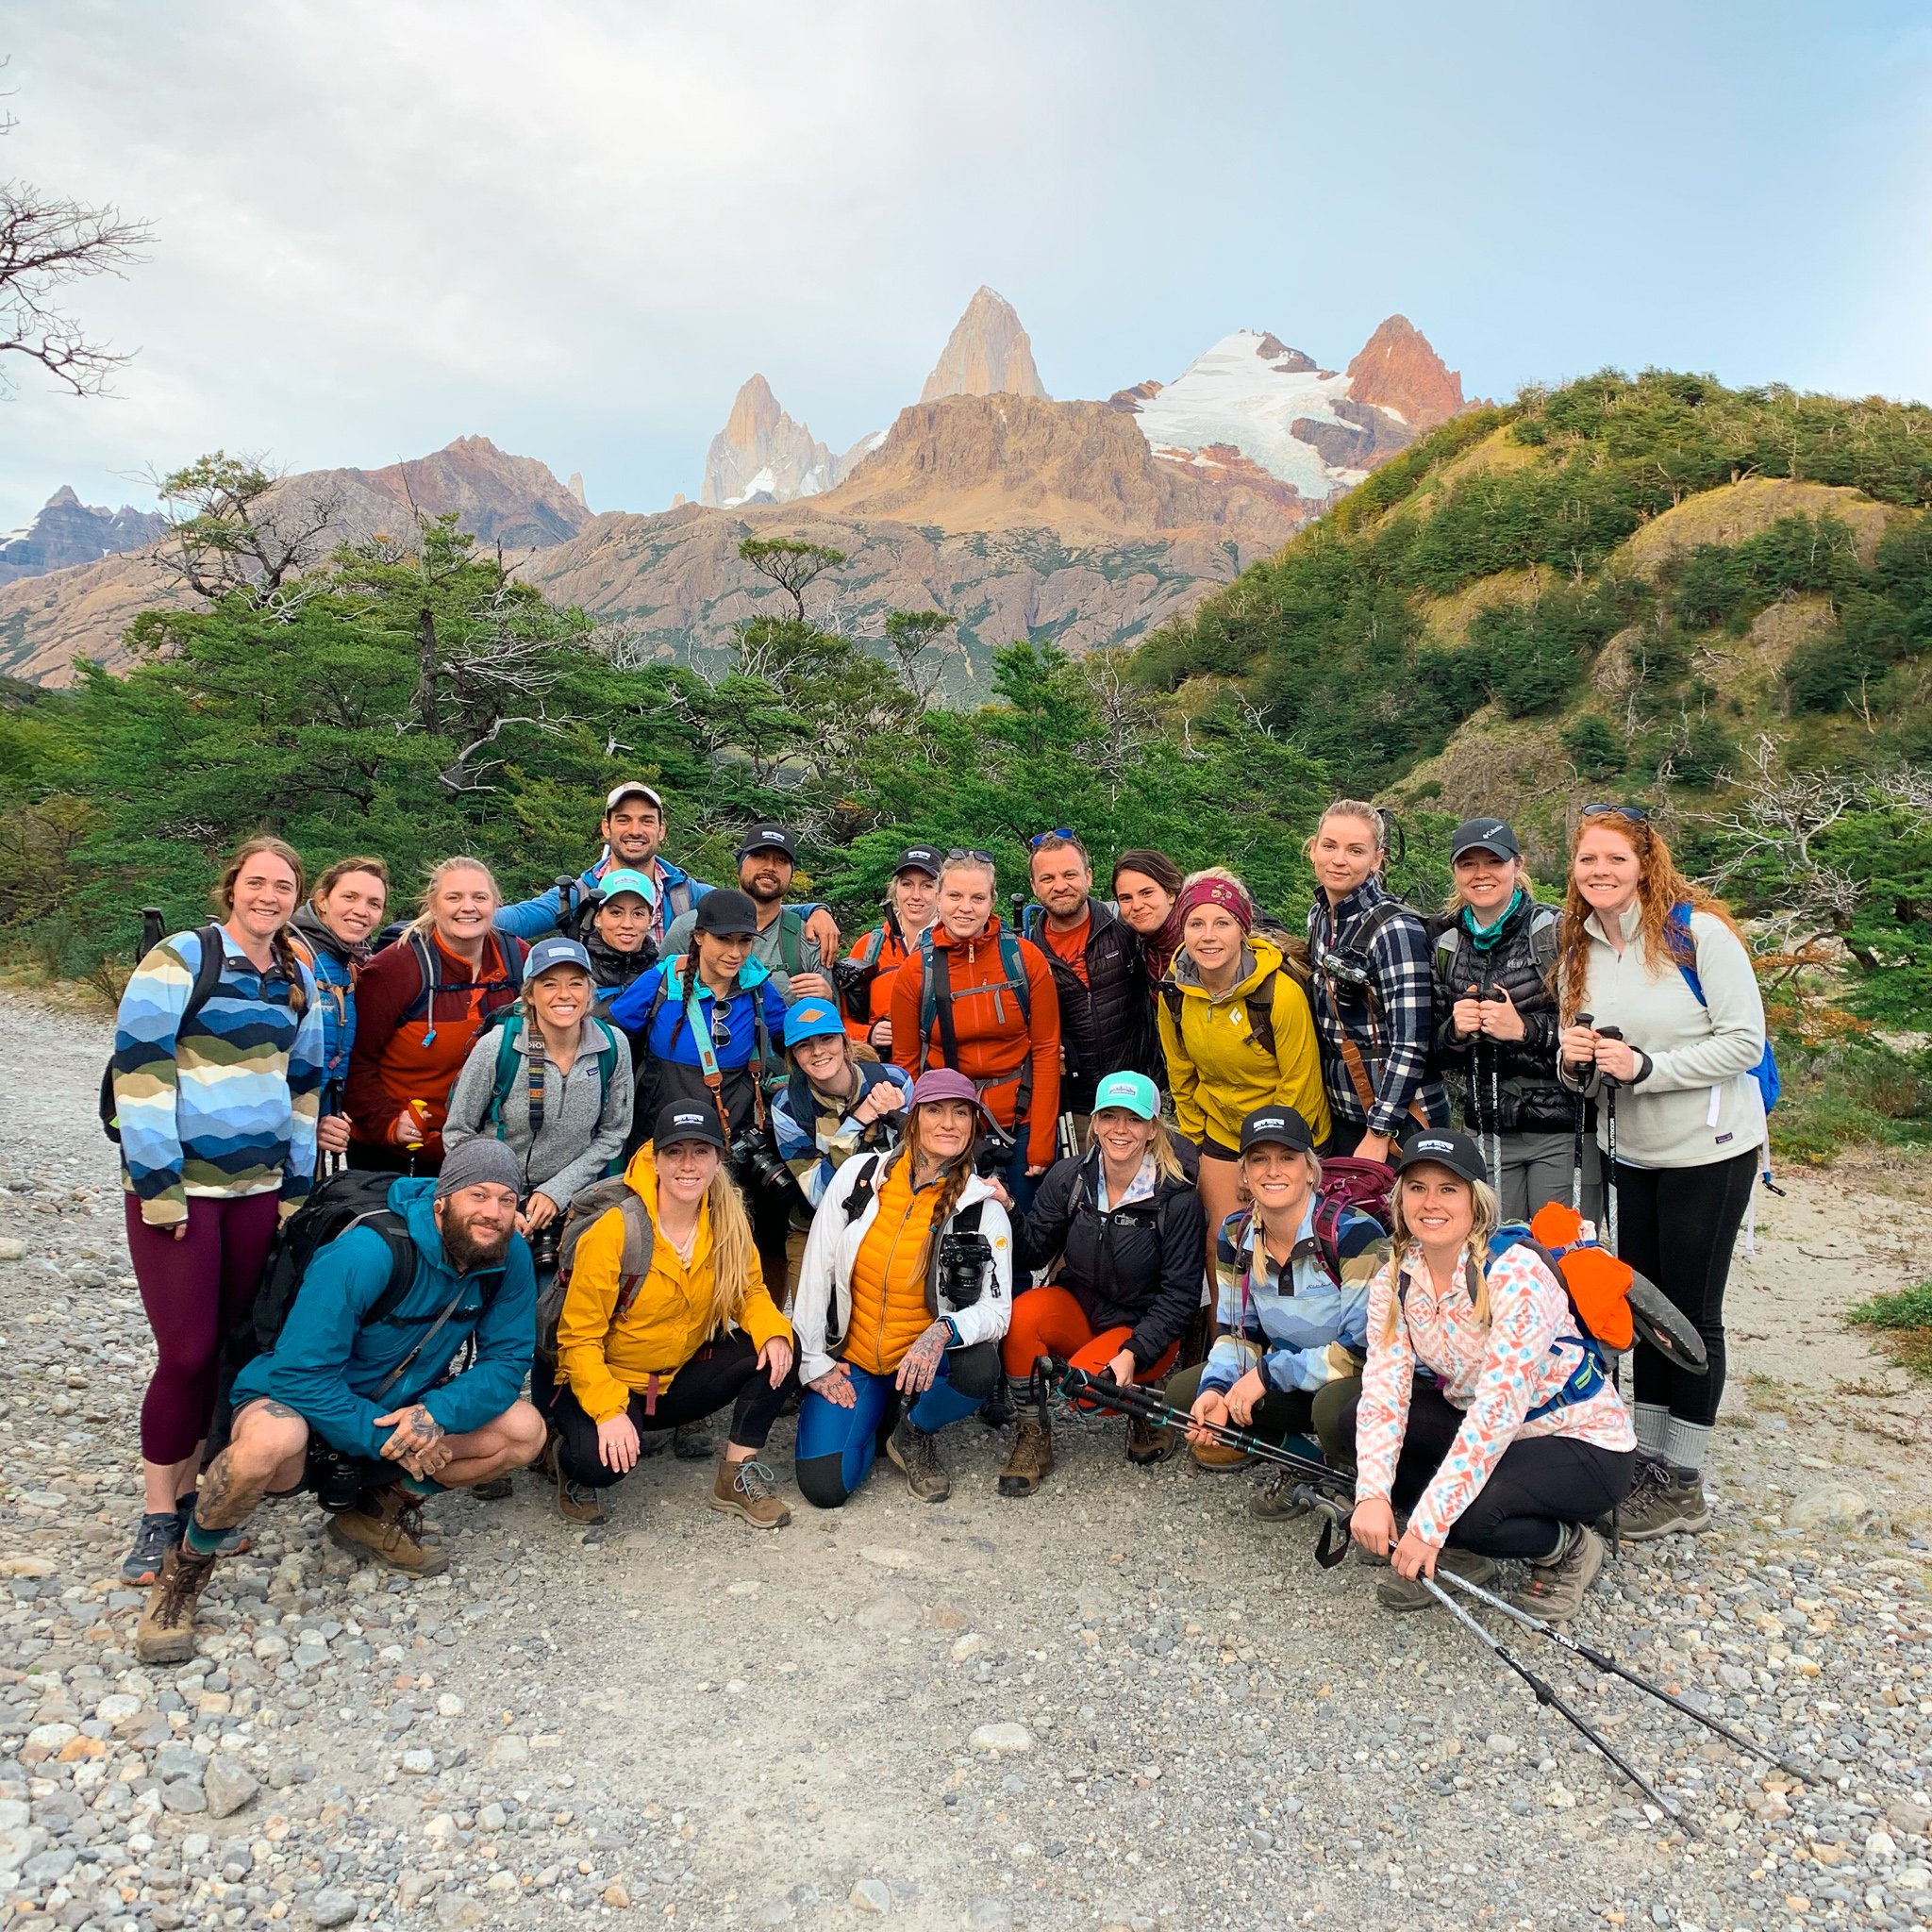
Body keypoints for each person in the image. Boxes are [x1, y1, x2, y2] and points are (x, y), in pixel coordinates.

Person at [132, 1141, 547, 1662]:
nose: (492, 1212)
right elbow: (301, 1374)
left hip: (402, 1409)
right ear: (442, 1201)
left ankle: (373, 1511)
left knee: (523, 1431)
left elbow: (507, 1363)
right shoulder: (368, 1252)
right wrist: (389, 1440)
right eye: (478, 1195)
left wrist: (436, 1414)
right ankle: (186, 1567)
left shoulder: (507, 1256)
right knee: (266, 1444)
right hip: (303, 1405)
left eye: (507, 1200)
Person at [111, 835, 326, 1586]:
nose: (270, 897)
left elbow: (306, 1086)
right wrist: (158, 1183)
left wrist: (296, 1191)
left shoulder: (300, 976)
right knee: (186, 1354)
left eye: (284, 887)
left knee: (231, 1343)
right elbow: (138, 1072)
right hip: (181, 1194)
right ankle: (157, 1513)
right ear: (232, 886)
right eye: (257, 883)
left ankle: (201, 1494)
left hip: (258, 1194)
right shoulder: (180, 959)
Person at [1557, 805, 1768, 1541]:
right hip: (1632, 1150)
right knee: (1642, 1305)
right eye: (1588, 861)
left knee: (1692, 1310)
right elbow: (1579, 1048)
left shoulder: (1698, 934)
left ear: (1645, 863)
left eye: (1615, 859)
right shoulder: (1579, 942)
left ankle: (1684, 1481)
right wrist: (1576, 1060)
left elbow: (1743, 1042)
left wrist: (1650, 1068)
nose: (1601, 873)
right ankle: (1647, 1455)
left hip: (1710, 1149)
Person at [1347, 1131, 1636, 1621]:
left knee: (1477, 1516)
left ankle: (1569, 1547)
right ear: (1399, 1200)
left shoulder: (1516, 1273)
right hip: (1489, 1429)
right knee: (1344, 1417)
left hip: (1579, 1438)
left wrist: (1429, 1524)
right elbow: (1384, 1390)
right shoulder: (1395, 1275)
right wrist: (1372, 1494)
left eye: (1448, 1189)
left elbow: (1497, 1411)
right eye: (1417, 1188)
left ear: (1476, 1201)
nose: (1431, 1203)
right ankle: (1451, 1537)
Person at [541, 1102, 797, 1528]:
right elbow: (578, 1340)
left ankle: (737, 1473)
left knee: (782, 1343)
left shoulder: (727, 1220)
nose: (688, 1165)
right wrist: (608, 1410)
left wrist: (771, 1330)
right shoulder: (616, 1230)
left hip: (673, 1379)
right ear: (655, 1159)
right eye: (675, 1152)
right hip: (606, 1378)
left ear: (719, 1159)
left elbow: (750, 1291)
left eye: (701, 1151)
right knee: (602, 1465)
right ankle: (560, 1452)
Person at [791, 1070, 1015, 1508]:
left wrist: (942, 1332)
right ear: (913, 1120)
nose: (948, 1123)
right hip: (853, 1357)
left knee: (978, 1366)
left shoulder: (982, 1208)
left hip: (920, 1367)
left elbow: (998, 1310)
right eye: (935, 1111)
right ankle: (876, 1414)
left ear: (973, 1126)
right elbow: (816, 1268)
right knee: (825, 1487)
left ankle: (912, 1429)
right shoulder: (861, 1176)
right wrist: (813, 1361)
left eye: (961, 1113)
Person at [994, 1071, 1205, 1497]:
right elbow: (1034, 1251)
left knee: (1090, 1396)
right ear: (1093, 1123)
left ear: (1152, 1128)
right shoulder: (1070, 1177)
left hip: (1143, 1326)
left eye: (1133, 1119)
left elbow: (1180, 1297)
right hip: (1083, 1308)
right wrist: (1009, 1206)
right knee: (1022, 1317)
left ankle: (1146, 1400)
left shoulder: (1177, 1197)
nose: (1120, 1130)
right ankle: (1033, 1435)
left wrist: (1133, 1351)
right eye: (1109, 1116)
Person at [1167, 1107, 1384, 1509]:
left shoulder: (1354, 1233)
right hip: (1292, 1372)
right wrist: (1217, 1388)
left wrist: (1266, 1375)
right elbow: (1239, 1334)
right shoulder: (1236, 1234)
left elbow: (1364, 1352)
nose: (1273, 1171)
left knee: (1331, 1406)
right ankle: (1309, 1465)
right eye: (1259, 1159)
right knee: (1186, 1394)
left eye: (1287, 1158)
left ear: (1310, 1170)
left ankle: (1367, 1482)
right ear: (1244, 1175)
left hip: (1358, 1379)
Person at [608, 888, 793, 1321]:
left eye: (744, 941)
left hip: (727, 1136)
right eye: (723, 940)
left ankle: (727, 1328)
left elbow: (801, 1041)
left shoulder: (760, 990)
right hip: (658, 1133)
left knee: (726, 1236)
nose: (734, 952)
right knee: (656, 1236)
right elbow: (610, 1036)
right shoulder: (662, 983)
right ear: (699, 937)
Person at [1157, 870, 1329, 1280]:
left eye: (1222, 923)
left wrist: (1263, 1158)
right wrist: (1196, 1138)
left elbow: (1299, 1083)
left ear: (1242, 930)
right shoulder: (1174, 991)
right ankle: (1226, 1339)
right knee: (1221, 1246)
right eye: (1196, 924)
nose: (1209, 936)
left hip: (1291, 1131)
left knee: (1288, 1248)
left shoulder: (1277, 993)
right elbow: (1181, 1072)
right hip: (1221, 1129)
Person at [1431, 817, 1599, 1224]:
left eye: (1494, 861)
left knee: (1562, 1256)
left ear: (1517, 866)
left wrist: (1523, 1030)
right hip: (1487, 1130)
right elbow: (1437, 1054)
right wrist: (1454, 1032)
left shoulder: (1557, 932)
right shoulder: (1446, 945)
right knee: (1495, 1254)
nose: (1481, 873)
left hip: (1561, 1131)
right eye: (1468, 864)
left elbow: (1593, 1035)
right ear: (1455, 872)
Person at [889, 849, 1061, 1210]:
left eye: (977, 897)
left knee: (1018, 1235)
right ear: (938, 898)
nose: (965, 907)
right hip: (949, 1126)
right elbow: (907, 1064)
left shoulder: (1024, 960)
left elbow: (1045, 1049)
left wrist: (1042, 1139)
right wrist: (919, 1137)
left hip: (1019, 1117)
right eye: (954, 896)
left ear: (992, 901)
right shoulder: (915, 973)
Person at [443, 937, 634, 1249]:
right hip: (497, 1203)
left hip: (575, 1205)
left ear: (589, 992)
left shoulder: (612, 1046)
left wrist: (558, 1192)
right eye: (549, 985)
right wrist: (502, 1201)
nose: (564, 995)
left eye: (575, 984)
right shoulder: (498, 1047)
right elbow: (458, 1133)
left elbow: (613, 1134)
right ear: (530, 995)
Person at [342, 858, 526, 1174]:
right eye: (454, 897)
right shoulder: (394, 970)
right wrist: (387, 1123)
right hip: (398, 1155)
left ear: (496, 904)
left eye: (479, 897)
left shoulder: (520, 961)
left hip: (484, 1155)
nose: (467, 907)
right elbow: (357, 1062)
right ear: (432, 905)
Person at [1306, 799, 1447, 1161]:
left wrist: (1379, 1130)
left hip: (1402, 1120)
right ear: (1313, 849)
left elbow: (1411, 1043)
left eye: (1355, 850)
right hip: (1345, 1112)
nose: (1339, 859)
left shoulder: (1395, 929)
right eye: (1329, 846)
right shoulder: (1319, 919)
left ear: (1376, 860)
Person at [1022, 830, 1154, 1121]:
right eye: (1047, 878)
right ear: (1034, 886)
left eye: (1070, 874)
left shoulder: (1127, 929)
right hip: (1078, 1106)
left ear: (1089, 877)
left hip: (1141, 1094)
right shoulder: (1027, 958)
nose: (1060, 886)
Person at [495, 780, 711, 950]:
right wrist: (468, 912)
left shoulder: (685, 894)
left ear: (661, 830)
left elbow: (738, 912)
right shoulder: (580, 894)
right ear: (606, 828)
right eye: (623, 819)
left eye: (646, 820)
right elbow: (517, 920)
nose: (635, 830)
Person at [288, 857, 390, 1165]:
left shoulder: (349, 967)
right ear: (321, 901)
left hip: (312, 1143)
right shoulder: (292, 957)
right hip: (275, 1147)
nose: (362, 910)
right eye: (349, 897)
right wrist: (305, 1126)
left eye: (374, 903)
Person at [662, 823, 836, 1004]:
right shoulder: (689, 927)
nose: (770, 866)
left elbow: (831, 1024)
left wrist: (827, 1000)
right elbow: (657, 998)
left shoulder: (808, 939)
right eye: (758, 856)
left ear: (792, 873)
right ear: (740, 863)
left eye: (781, 860)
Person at [770, 996, 913, 1208]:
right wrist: (855, 1124)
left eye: (827, 1038)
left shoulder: (895, 1081)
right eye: (804, 1045)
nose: (818, 1051)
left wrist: (896, 1118)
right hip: (825, 1222)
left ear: (844, 1041)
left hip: (897, 1208)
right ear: (793, 1057)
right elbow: (819, 1196)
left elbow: (920, 1165)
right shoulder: (788, 1107)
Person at [840, 845, 942, 1052]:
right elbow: (842, 1021)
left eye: (927, 886)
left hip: (937, 1071)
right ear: (895, 889)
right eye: (907, 884)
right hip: (883, 1070)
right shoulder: (869, 946)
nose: (915, 895)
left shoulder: (954, 944)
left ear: (942, 893)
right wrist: (868, 1034)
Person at [576, 866, 660, 1007]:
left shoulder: (663, 977)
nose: (627, 924)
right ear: (597, 917)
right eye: (616, 913)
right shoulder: (577, 970)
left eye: (638, 914)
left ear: (650, 919)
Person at [1110, 848, 1187, 989]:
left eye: (1146, 893)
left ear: (1170, 893)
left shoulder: (1199, 943)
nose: (1137, 905)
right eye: (1126, 898)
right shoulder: (1133, 945)